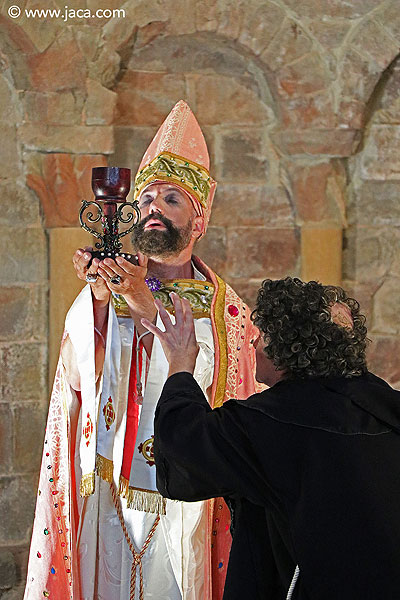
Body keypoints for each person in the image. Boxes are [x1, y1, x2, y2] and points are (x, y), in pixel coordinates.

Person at [24, 101, 262, 600]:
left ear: (197, 221)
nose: (154, 208)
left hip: (186, 500)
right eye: (147, 197)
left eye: (172, 199)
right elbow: (76, 372)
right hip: (110, 484)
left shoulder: (226, 311)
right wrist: (97, 299)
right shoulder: (111, 281)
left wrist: (142, 302)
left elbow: (212, 379)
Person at [144, 278, 400, 600]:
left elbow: (184, 448)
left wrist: (181, 364)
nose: (253, 345)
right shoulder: (384, 405)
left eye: (262, 336)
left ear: (287, 347)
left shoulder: (270, 423)